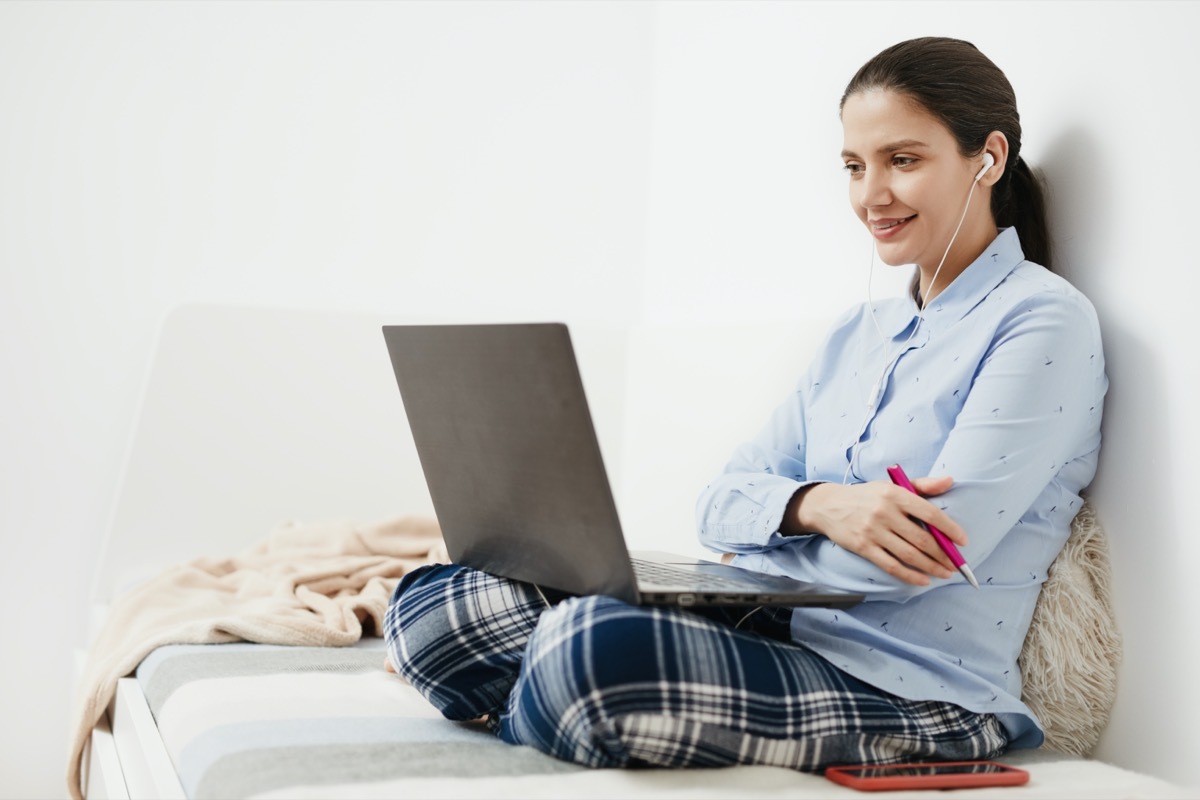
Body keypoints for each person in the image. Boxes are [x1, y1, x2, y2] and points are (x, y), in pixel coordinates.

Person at [383, 36, 1106, 772]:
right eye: (855, 166)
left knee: (587, 645)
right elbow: (718, 504)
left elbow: (930, 555)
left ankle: (545, 698)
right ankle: (556, 705)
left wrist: (758, 546)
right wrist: (817, 505)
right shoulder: (858, 332)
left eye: (903, 160)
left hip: (913, 688)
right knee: (432, 607)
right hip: (765, 626)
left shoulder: (1042, 320)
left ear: (987, 158)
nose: (871, 195)